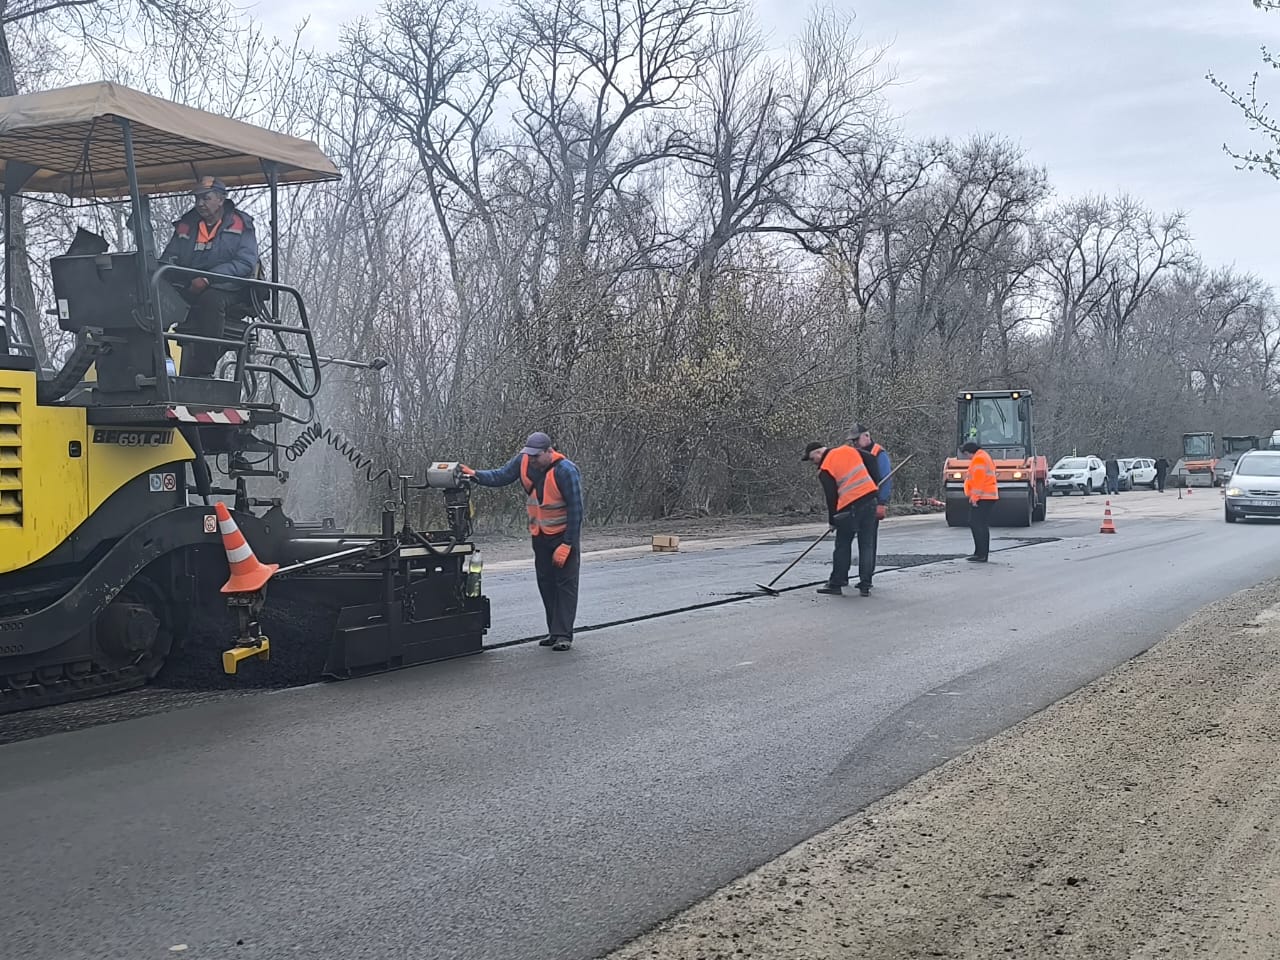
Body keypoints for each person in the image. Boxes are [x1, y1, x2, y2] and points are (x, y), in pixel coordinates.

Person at [462, 432, 583, 651]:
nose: (533, 459)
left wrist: (567, 544)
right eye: (530, 455)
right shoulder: (524, 460)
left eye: (537, 456)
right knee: (546, 583)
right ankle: (554, 632)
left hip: (562, 536)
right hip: (540, 535)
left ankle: (563, 635)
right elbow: (500, 476)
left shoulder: (566, 471)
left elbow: (576, 510)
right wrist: (475, 475)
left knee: (565, 585)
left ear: (549, 451)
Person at [159, 176, 259, 377]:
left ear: (221, 199)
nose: (200, 203)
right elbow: (169, 256)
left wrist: (208, 279)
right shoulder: (187, 224)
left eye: (206, 198)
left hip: (230, 287)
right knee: (154, 300)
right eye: (197, 199)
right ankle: (163, 367)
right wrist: (171, 276)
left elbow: (245, 263)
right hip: (189, 284)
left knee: (211, 300)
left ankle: (203, 371)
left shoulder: (241, 224)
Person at [803, 439, 881, 597]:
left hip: (849, 508)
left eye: (812, 459)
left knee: (842, 545)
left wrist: (833, 521)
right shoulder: (848, 450)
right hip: (870, 500)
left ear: (819, 452)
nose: (813, 462)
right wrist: (874, 483)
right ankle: (865, 584)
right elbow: (872, 459)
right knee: (866, 544)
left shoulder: (825, 468)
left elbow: (831, 497)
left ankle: (837, 583)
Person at [849, 422, 891, 564]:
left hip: (872, 502)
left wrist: (881, 502)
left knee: (868, 542)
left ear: (867, 436)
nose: (855, 443)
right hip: (855, 502)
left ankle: (867, 573)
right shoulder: (854, 453)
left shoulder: (879, 453)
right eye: (853, 441)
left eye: (856, 439)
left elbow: (885, 479)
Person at [962, 439, 998, 562]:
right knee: (980, 524)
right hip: (987, 496)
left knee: (977, 524)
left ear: (969, 452)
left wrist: (974, 498)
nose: (967, 458)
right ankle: (981, 553)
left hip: (983, 497)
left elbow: (979, 480)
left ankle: (981, 554)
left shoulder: (979, 459)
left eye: (966, 455)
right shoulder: (984, 456)